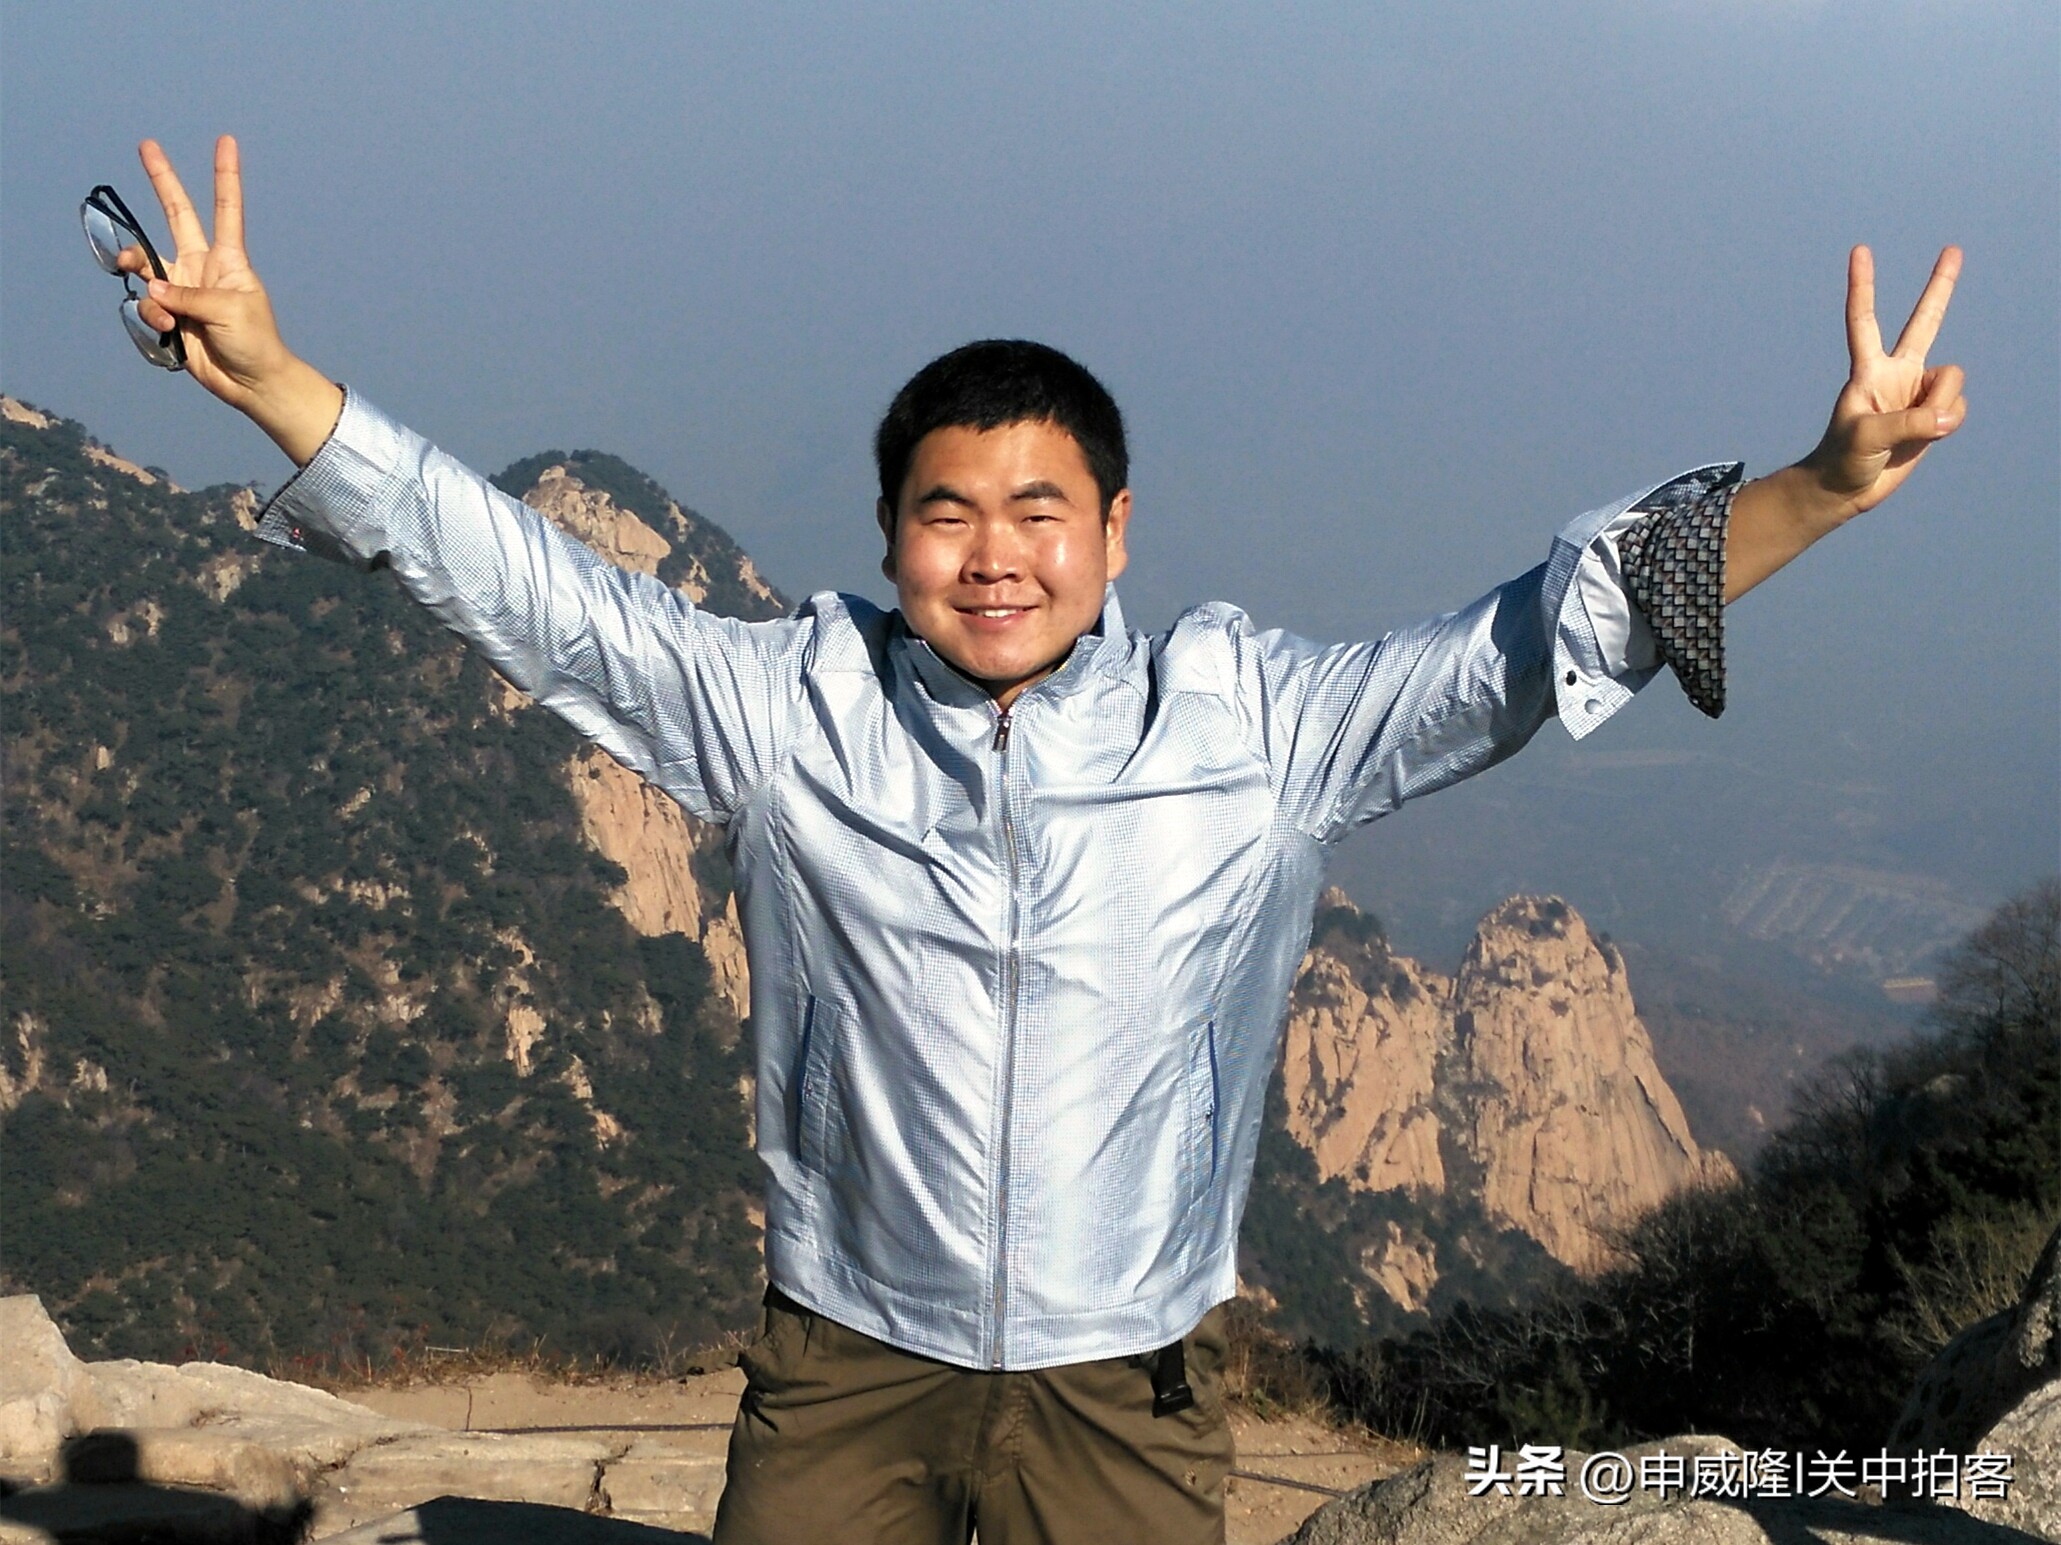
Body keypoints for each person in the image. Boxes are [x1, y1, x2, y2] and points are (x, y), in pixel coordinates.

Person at [108, 135, 1964, 1545]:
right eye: (945, 513)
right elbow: (521, 583)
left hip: (1123, 1389)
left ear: (1116, 530)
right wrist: (274, 380)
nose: (993, 554)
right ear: (890, 533)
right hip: (844, 1365)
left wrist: (1816, 486)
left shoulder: (1252, 731)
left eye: (1038, 509)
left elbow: (1533, 638)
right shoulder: (787, 706)